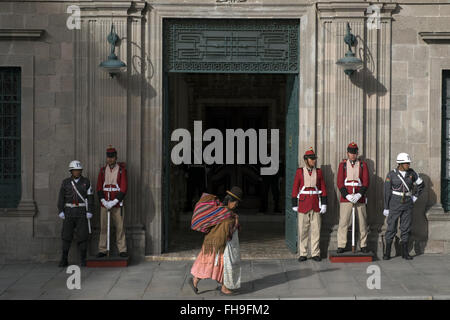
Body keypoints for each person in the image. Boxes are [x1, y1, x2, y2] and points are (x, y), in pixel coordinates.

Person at [189, 186, 242, 296]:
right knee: (211, 264)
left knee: (217, 265)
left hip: (213, 242)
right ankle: (195, 281)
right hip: (216, 244)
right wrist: (236, 221)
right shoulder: (227, 214)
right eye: (236, 203)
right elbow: (229, 232)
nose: (236, 205)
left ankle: (223, 287)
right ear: (231, 201)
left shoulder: (220, 209)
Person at [383, 153, 425, 260]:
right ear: (400, 164)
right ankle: (387, 252)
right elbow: (387, 192)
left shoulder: (412, 173)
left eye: (408, 163)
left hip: (407, 203)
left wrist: (415, 196)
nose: (408, 165)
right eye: (406, 163)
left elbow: (421, 185)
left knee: (405, 228)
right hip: (394, 203)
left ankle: (405, 253)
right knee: (391, 227)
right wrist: (386, 207)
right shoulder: (391, 174)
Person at [291, 147, 327, 262]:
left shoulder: (319, 172)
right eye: (311, 159)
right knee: (303, 230)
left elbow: (323, 188)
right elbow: (295, 188)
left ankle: (315, 253)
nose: (314, 161)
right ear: (306, 160)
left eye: (314, 159)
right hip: (303, 203)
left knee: (316, 230)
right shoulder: (300, 172)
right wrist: (294, 203)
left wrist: (324, 203)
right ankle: (303, 253)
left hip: (316, 203)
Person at [57, 160, 94, 267]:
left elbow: (90, 198)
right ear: (71, 171)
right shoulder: (65, 182)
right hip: (69, 212)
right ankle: (64, 259)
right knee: (66, 236)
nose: (77, 172)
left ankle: (83, 259)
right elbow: (61, 198)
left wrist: (90, 211)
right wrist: (60, 210)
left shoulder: (86, 182)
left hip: (82, 212)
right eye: (75, 170)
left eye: (79, 170)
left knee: (83, 236)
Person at [336, 142, 370, 253]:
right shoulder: (343, 165)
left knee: (362, 222)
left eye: (355, 153)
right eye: (351, 152)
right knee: (343, 222)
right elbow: (340, 182)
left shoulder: (362, 165)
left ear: (357, 153)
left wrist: (359, 194)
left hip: (359, 197)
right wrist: (347, 195)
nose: (353, 155)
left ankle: (363, 244)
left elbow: (366, 182)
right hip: (347, 198)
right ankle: (341, 245)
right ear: (347, 153)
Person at [96, 146, 128, 258]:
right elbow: (99, 187)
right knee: (103, 227)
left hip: (117, 203)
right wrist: (103, 200)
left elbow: (123, 188)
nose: (110, 159)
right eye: (108, 157)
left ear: (116, 157)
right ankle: (102, 249)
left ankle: (122, 249)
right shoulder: (102, 170)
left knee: (120, 227)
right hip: (105, 203)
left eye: (112, 157)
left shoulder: (121, 170)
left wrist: (114, 201)